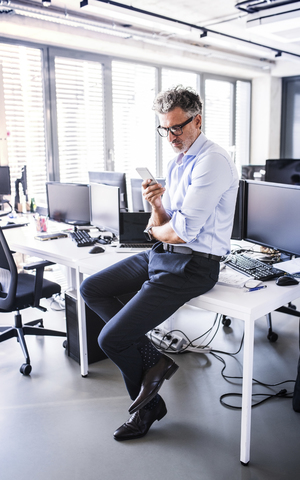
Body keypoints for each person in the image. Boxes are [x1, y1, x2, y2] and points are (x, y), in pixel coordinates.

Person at [80, 85, 239, 441]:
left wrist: (158, 229)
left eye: (178, 128)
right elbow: (163, 223)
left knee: (112, 339)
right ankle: (155, 361)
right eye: (164, 129)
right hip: (165, 254)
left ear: (198, 121)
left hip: (193, 265)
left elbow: (181, 233)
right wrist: (155, 205)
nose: (171, 136)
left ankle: (147, 408)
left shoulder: (213, 161)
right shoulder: (178, 160)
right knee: (92, 288)